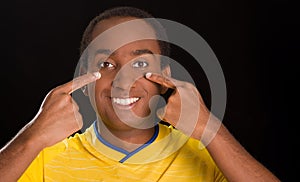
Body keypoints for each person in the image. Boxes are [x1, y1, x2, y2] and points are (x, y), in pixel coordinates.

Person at [0, 6, 280, 182]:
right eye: (106, 64)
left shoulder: (209, 155)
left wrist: (211, 131)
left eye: (141, 64)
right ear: (84, 81)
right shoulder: (40, 158)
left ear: (166, 77)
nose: (123, 80)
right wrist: (31, 137)